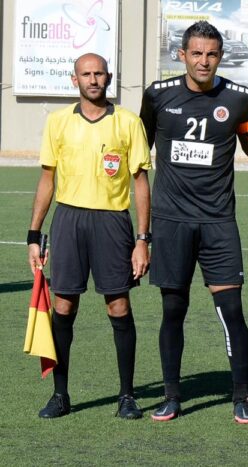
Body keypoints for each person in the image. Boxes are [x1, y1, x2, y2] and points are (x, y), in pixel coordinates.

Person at [139, 21, 248, 424]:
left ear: (220, 56)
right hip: (171, 220)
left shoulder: (239, 99)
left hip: (218, 223)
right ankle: (172, 396)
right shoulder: (157, 95)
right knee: (173, 310)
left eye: (211, 54)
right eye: (196, 53)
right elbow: (139, 153)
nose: (204, 61)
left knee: (232, 310)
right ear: (182, 55)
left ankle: (241, 396)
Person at [27, 53, 151, 419]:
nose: (93, 79)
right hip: (68, 220)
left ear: (108, 77)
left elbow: (140, 183)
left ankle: (127, 396)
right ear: (74, 79)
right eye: (86, 74)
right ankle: (60, 395)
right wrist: (34, 233)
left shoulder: (128, 122)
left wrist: (142, 239)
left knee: (119, 306)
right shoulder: (58, 122)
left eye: (99, 73)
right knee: (64, 306)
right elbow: (47, 180)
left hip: (113, 222)